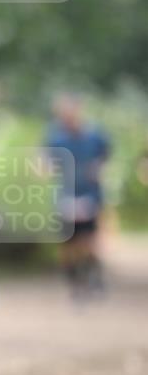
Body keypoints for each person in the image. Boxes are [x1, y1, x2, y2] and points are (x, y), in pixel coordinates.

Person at [45, 93, 110, 300]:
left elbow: (105, 156)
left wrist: (98, 168)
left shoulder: (94, 135)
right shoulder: (55, 137)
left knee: (90, 242)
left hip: (90, 195)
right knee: (68, 245)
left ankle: (93, 278)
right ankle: (75, 283)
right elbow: (45, 161)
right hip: (66, 196)